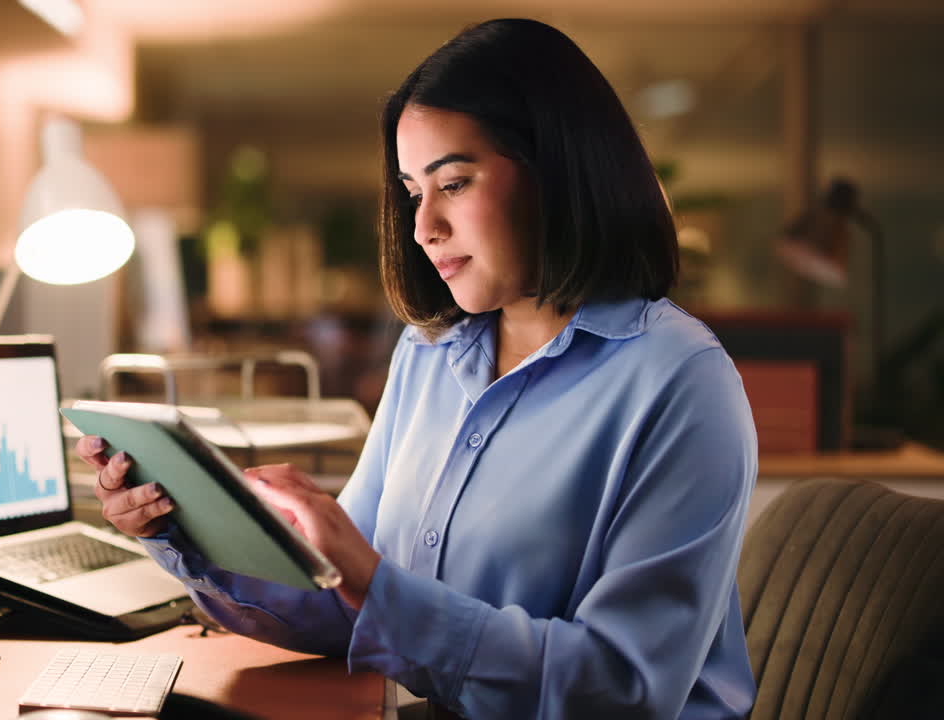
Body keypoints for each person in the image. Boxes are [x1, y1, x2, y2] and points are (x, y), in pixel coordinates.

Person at [77, 18, 757, 720]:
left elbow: (623, 690)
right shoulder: (430, 355)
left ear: (556, 171)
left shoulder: (682, 382)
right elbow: (347, 612)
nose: (422, 226)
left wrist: (374, 586)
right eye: (411, 192)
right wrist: (179, 529)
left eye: (454, 182)